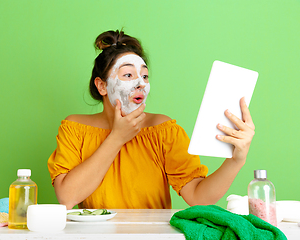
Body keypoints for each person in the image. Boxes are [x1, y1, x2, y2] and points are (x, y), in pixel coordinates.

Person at [48, 30, 255, 210]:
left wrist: (236, 160)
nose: (140, 83)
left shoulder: (162, 130)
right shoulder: (76, 129)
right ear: (102, 86)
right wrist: (117, 138)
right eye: (128, 75)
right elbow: (67, 197)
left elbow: (198, 197)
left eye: (145, 76)